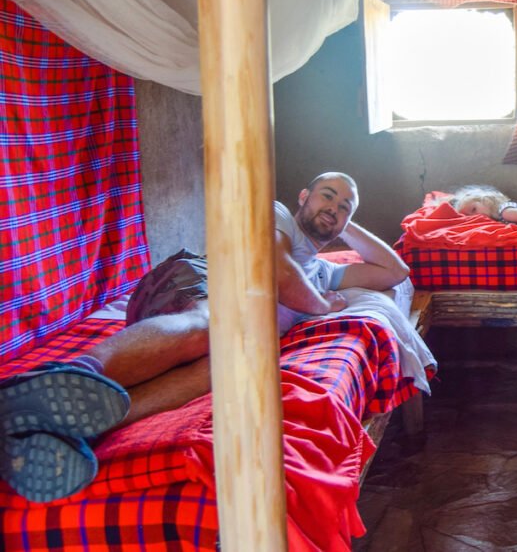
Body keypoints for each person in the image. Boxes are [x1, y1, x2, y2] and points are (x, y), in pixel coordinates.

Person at [0, 172, 409, 503]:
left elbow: (395, 272)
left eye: (343, 207)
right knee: (213, 323)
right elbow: (280, 272)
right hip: (196, 283)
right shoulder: (277, 215)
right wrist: (322, 305)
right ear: (304, 196)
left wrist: (345, 221)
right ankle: (68, 374)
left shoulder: (322, 270)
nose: (333, 209)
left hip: (239, 332)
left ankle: (71, 425)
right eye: (327, 196)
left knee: (229, 365)